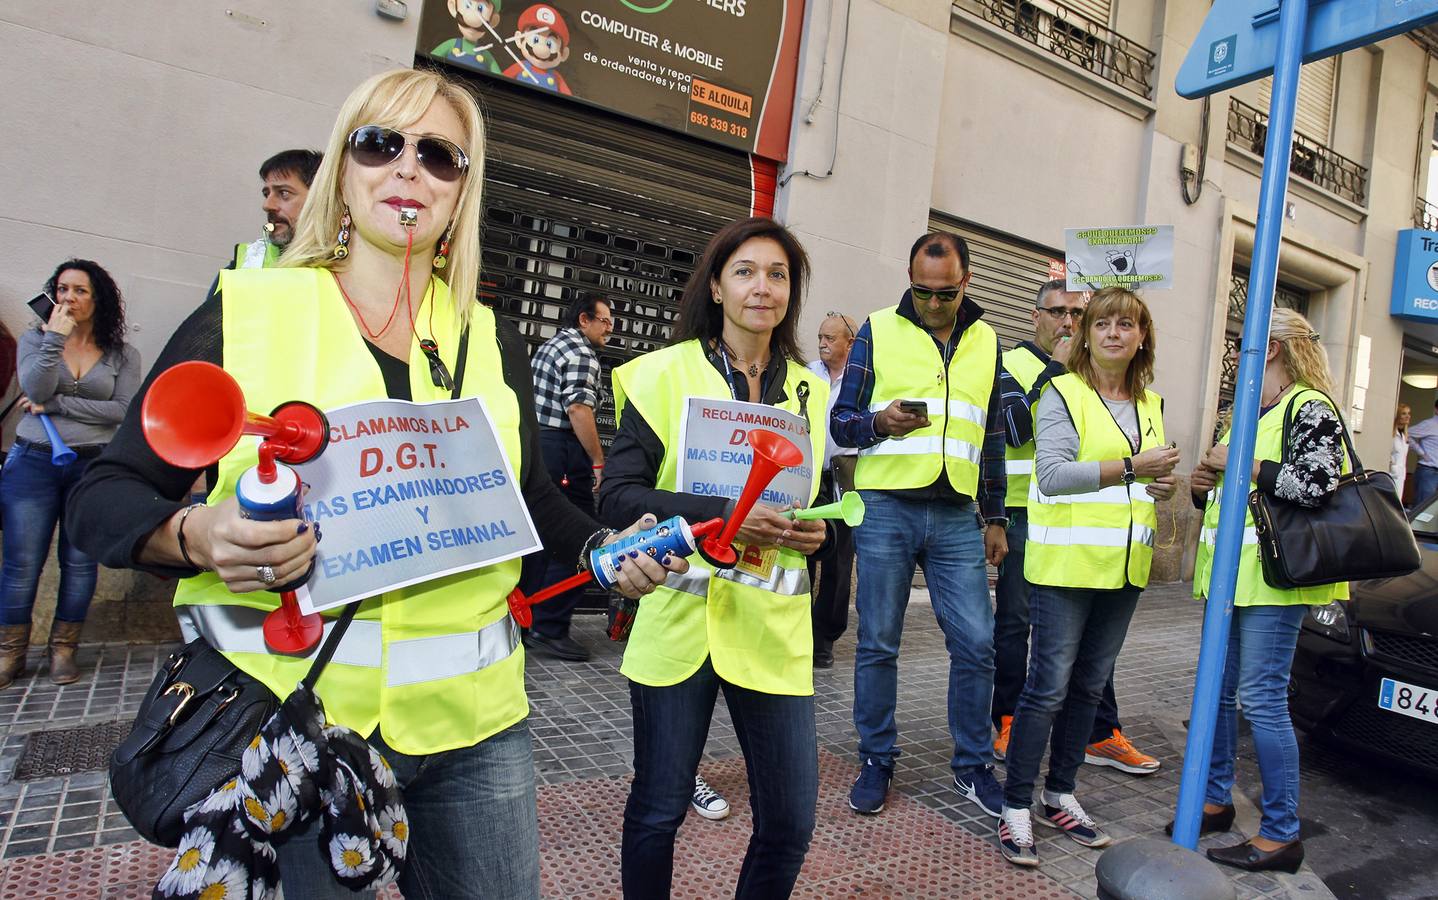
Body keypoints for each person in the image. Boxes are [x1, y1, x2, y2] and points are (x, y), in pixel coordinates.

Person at [67, 68, 682, 899]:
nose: (407, 169)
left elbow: (530, 500)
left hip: (479, 728)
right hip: (294, 723)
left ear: (462, 194)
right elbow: (105, 494)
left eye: (439, 156)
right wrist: (195, 536)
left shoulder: (489, 336)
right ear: (343, 171)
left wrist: (608, 547)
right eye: (380, 143)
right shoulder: (247, 311)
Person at [598, 216, 828, 899]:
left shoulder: (809, 391)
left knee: (789, 821)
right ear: (718, 288)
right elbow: (618, 497)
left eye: (778, 274)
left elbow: (817, 497)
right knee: (658, 811)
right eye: (746, 272)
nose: (764, 287)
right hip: (679, 625)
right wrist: (720, 516)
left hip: (772, 631)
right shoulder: (661, 375)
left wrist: (822, 535)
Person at [996, 288, 1179, 868]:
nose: (1113, 334)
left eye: (1126, 325)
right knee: (1046, 687)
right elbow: (1050, 476)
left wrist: (1159, 484)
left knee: (1089, 687)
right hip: (1067, 566)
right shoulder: (1062, 392)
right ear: (1085, 334)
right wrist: (1132, 468)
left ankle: (1061, 793)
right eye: (1103, 324)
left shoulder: (1150, 403)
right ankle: (1015, 805)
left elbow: (1145, 477)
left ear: (1142, 336)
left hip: (1124, 568)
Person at [832, 231, 1009, 818]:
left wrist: (996, 515)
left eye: (945, 293)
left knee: (978, 643)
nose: (933, 304)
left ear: (967, 279)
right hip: (887, 507)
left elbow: (991, 437)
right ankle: (877, 758)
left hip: (957, 511)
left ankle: (973, 765)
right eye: (922, 292)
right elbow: (840, 422)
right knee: (879, 641)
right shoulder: (878, 329)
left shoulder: (987, 340)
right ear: (910, 280)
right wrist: (879, 423)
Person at [1188, 309, 1345, 874]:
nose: (1236, 350)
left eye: (1242, 342)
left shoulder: (1311, 408)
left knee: (1262, 702)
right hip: (1231, 580)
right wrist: (1204, 487)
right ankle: (1215, 799)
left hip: (1273, 586)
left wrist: (1244, 463)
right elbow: (1230, 500)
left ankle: (1282, 834)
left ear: (1270, 348)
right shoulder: (1249, 412)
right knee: (1219, 694)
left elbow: (1319, 486)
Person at [1, 260, 140, 688]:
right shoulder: (35, 339)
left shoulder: (121, 353)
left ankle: (63, 650)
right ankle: (10, 654)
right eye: (62, 289)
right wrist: (54, 340)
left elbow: (120, 410)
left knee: (80, 563)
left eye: (80, 291)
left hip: (93, 463)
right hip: (34, 460)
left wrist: (59, 406)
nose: (69, 299)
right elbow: (35, 388)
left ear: (98, 300)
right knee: (22, 563)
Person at [519, 293, 614, 661]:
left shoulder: (553, 346)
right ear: (584, 321)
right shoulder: (580, 353)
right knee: (579, 535)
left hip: (539, 446)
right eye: (604, 320)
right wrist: (598, 461)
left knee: (540, 538)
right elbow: (578, 408)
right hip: (561, 449)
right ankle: (550, 625)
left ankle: (530, 621)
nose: (610, 328)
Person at [806, 311, 858, 669]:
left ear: (849, 343)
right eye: (821, 337)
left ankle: (824, 639)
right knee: (801, 556)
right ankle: (796, 630)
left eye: (830, 338)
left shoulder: (862, 379)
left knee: (839, 563)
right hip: (808, 476)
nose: (822, 343)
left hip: (845, 478)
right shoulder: (808, 373)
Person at [233, 149, 324, 269]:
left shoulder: (347, 270)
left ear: (320, 199)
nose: (267, 205)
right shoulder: (248, 261)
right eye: (266, 194)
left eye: (284, 193)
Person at [1406, 396, 1438, 505]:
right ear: (1436, 410)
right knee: (1422, 508)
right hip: (1428, 471)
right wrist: (1421, 452)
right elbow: (1407, 434)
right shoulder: (1429, 424)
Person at [1391, 402, 1410, 504]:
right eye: (1404, 413)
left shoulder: (1404, 436)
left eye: (1408, 413)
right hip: (1392, 475)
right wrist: (1393, 467)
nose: (1407, 416)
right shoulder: (1392, 434)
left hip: (1400, 476)